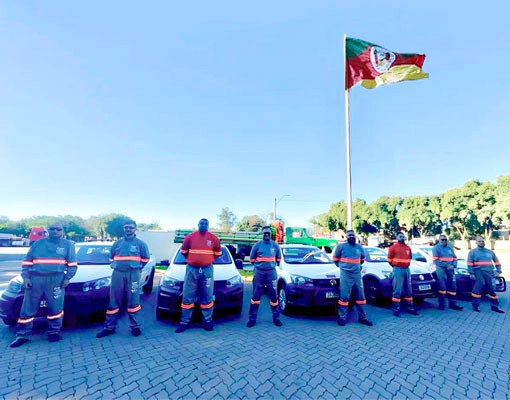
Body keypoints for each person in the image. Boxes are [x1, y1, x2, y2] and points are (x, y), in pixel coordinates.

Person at [10, 222, 77, 348]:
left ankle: (53, 332)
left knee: (55, 308)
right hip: (35, 279)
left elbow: (72, 264)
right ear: (47, 230)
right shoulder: (38, 244)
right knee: (28, 308)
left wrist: (67, 278)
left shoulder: (68, 245)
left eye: (58, 229)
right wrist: (26, 277)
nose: (55, 231)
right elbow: (27, 262)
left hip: (56, 280)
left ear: (62, 231)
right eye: (52, 229)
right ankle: (22, 335)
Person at [96, 219, 150, 338]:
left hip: (133, 274)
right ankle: (109, 327)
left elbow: (146, 258)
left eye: (131, 227)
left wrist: (138, 267)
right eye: (126, 227)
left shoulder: (140, 244)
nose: (128, 229)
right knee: (113, 300)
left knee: (133, 300)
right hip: (118, 274)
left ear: (135, 229)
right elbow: (111, 257)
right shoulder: (117, 243)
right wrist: (115, 265)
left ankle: (135, 326)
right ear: (123, 229)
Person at [175, 218, 221, 333]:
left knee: (207, 295)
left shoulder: (214, 238)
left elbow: (217, 253)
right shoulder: (189, 237)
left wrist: (207, 261)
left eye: (206, 224)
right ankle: (184, 322)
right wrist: (193, 261)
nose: (203, 225)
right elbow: (184, 252)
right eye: (201, 223)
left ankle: (207, 321)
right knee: (188, 295)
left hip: (207, 270)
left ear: (208, 225)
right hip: (192, 269)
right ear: (198, 224)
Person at [332, 230, 373, 327]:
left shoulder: (359, 247)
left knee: (360, 296)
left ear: (355, 236)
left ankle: (363, 318)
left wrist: (356, 267)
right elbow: (335, 259)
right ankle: (342, 317)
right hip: (345, 274)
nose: (351, 236)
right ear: (346, 237)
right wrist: (343, 267)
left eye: (352, 235)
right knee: (344, 296)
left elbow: (362, 259)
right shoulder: (341, 246)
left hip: (357, 274)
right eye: (349, 235)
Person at [247, 226, 283, 328]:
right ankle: (252, 319)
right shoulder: (257, 245)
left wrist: (270, 266)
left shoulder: (275, 246)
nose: (266, 235)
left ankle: (276, 318)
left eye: (268, 233)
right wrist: (260, 267)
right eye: (265, 233)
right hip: (259, 274)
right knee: (255, 297)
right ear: (262, 234)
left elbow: (278, 259)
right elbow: (252, 259)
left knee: (274, 296)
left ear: (270, 234)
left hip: (271, 274)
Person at [467, 236, 505, 313]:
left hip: (489, 272)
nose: (481, 242)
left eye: (482, 241)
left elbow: (497, 262)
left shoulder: (490, 252)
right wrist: (471, 273)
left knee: (491, 289)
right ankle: (475, 306)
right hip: (478, 271)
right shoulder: (472, 252)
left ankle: (494, 306)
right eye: (479, 241)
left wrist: (498, 271)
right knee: (477, 289)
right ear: (476, 243)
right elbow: (469, 263)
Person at [387, 232, 419, 317]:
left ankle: (410, 308)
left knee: (408, 290)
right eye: (400, 236)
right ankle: (396, 309)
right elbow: (389, 260)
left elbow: (410, 258)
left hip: (406, 270)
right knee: (397, 290)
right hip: (398, 270)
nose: (402, 238)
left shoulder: (408, 248)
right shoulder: (393, 247)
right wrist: (396, 267)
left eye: (403, 236)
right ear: (397, 237)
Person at [432, 235, 463, 311]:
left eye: (445, 239)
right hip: (441, 269)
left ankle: (452, 304)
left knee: (452, 287)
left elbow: (455, 258)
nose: (444, 241)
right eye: (442, 240)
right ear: (439, 240)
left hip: (450, 269)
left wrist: (453, 265)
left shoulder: (449, 248)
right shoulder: (436, 248)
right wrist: (447, 265)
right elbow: (436, 261)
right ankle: (442, 305)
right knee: (442, 287)